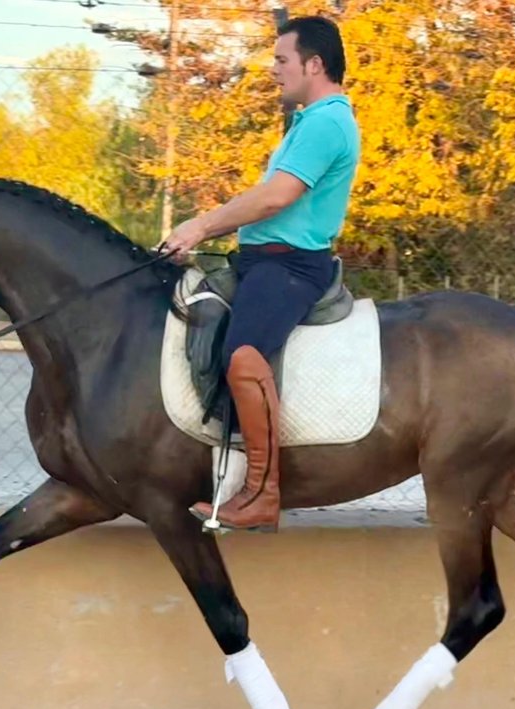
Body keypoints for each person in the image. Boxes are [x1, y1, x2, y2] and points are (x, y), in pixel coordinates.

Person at [161, 15, 361, 532]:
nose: (273, 69)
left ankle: (261, 493)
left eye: (281, 59)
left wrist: (200, 227)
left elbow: (276, 198)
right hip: (263, 260)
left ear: (314, 65)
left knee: (243, 355)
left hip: (290, 266)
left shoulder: (327, 123)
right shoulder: (309, 122)